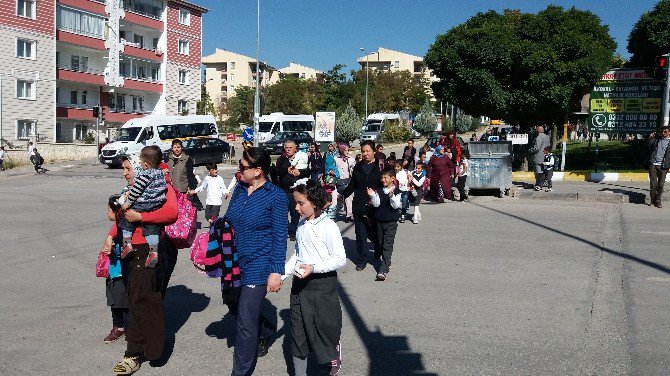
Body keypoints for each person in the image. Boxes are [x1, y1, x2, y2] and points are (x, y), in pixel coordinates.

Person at [112, 155, 178, 375]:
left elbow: (171, 212)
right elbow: (123, 218)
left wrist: (140, 216)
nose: (126, 172)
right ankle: (141, 347)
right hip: (130, 250)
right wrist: (111, 235)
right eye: (125, 169)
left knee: (145, 299)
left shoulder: (160, 186)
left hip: (150, 250)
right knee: (134, 298)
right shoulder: (130, 190)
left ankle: (138, 351)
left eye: (129, 168)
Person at [225, 147, 287, 376]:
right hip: (233, 261)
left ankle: (239, 372)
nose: (239, 170)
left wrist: (276, 271)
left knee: (244, 322)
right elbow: (229, 220)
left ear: (258, 170)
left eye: (243, 167)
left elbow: (280, 236)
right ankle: (267, 329)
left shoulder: (276, 196)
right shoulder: (240, 190)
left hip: (259, 264)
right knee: (234, 306)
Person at [285, 181, 346, 376]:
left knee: (324, 328)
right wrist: (281, 275)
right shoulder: (302, 224)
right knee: (298, 333)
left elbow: (339, 259)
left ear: (314, 202)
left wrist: (314, 268)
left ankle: (332, 351)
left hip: (322, 285)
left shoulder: (328, 226)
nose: (296, 208)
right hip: (300, 284)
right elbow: (297, 256)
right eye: (296, 203)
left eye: (300, 203)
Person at [118, 146, 166, 268]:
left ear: (145, 164)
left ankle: (127, 244)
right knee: (152, 228)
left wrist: (127, 204)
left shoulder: (145, 175)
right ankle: (154, 251)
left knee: (126, 220)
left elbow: (136, 191)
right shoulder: (161, 173)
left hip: (143, 203)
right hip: (156, 204)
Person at [342, 140, 381, 271]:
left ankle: (378, 248)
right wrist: (342, 194)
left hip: (375, 206)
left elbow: (386, 184)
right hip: (359, 205)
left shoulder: (380, 166)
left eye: (367, 151)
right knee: (360, 235)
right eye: (363, 151)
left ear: (373, 151)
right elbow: (353, 184)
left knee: (376, 233)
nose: (365, 154)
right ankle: (361, 260)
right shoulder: (358, 167)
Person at [102, 194, 128, 344]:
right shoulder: (115, 229)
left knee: (122, 304)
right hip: (112, 272)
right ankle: (117, 326)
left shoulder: (123, 230)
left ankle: (124, 327)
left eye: (108, 209)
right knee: (113, 303)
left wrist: (113, 249)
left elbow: (124, 251)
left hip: (120, 272)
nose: (106, 212)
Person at [368, 167, 401, 281]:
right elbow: (376, 204)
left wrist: (392, 196)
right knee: (380, 243)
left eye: (385, 177)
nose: (383, 180)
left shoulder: (396, 191)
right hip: (379, 221)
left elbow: (396, 206)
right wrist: (372, 195)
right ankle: (386, 260)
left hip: (391, 222)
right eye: (382, 177)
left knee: (387, 244)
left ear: (392, 178)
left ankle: (384, 269)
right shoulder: (380, 190)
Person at [276, 140, 311, 241]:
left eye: (290, 148)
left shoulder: (301, 158)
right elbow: (277, 171)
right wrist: (286, 170)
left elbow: (307, 172)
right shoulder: (281, 159)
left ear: (295, 149)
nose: (288, 149)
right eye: (286, 147)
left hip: (296, 191)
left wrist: (299, 173)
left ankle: (293, 233)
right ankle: (282, 232)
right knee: (282, 214)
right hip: (284, 191)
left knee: (295, 213)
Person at [166, 139, 202, 210]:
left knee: (183, 211)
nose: (177, 149)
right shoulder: (167, 158)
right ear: (172, 148)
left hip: (182, 190)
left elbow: (190, 175)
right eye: (175, 147)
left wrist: (191, 188)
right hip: (171, 190)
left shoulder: (187, 159)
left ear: (182, 148)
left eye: (178, 147)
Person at [647, 127, 670, 208]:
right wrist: (650, 137)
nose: (663, 133)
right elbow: (648, 145)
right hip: (653, 164)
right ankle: (653, 200)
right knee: (653, 185)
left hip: (664, 166)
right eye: (662, 131)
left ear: (669, 132)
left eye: (665, 132)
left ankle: (658, 200)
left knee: (660, 184)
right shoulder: (657, 139)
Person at [335, 143, 354, 221]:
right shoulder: (336, 159)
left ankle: (348, 215)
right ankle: (333, 214)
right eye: (345, 150)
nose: (347, 152)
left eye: (348, 150)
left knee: (348, 199)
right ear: (341, 150)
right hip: (338, 182)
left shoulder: (351, 159)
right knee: (335, 199)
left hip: (348, 181)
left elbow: (354, 170)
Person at [529, 125, 550, 191]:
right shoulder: (547, 137)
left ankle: (538, 185)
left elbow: (536, 148)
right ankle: (543, 183)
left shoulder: (538, 138)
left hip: (538, 157)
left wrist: (530, 150)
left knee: (538, 172)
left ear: (537, 131)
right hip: (545, 156)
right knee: (543, 171)